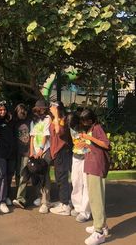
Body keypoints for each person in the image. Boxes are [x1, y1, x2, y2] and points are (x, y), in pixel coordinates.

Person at [78, 109, 110, 245]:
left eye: (84, 121)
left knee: (97, 198)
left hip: (97, 166)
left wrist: (88, 138)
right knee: (93, 197)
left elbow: (106, 144)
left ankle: (99, 232)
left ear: (90, 120)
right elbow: (95, 147)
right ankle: (102, 225)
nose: (83, 123)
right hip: (92, 165)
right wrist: (85, 144)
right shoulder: (92, 128)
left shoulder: (97, 128)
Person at [49, 101, 73, 216]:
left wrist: (56, 115)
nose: (51, 108)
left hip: (62, 152)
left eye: (53, 107)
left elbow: (58, 131)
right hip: (57, 153)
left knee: (62, 178)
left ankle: (66, 206)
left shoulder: (62, 120)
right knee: (59, 178)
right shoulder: (55, 119)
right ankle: (64, 201)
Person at [68, 110, 91, 223]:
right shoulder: (72, 126)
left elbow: (92, 144)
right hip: (76, 156)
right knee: (76, 182)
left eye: (75, 126)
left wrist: (86, 146)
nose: (74, 129)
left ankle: (85, 212)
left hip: (87, 157)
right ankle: (77, 206)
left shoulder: (88, 127)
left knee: (87, 184)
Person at [0, 101, 16, 213]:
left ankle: (6, 196)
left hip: (11, 152)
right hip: (0, 152)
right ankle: (1, 201)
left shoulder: (11, 120)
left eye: (4, 110)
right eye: (0, 110)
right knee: (1, 175)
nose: (2, 112)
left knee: (9, 175)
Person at [29, 99, 52, 214]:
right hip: (35, 151)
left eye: (43, 108)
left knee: (45, 175)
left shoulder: (47, 119)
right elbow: (32, 137)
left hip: (45, 150)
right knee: (36, 174)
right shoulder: (33, 121)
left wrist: (41, 150)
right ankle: (39, 196)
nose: (42, 110)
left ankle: (45, 202)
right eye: (40, 108)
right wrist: (31, 151)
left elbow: (45, 135)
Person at [12, 104, 31, 209]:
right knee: (18, 174)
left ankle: (21, 199)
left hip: (26, 151)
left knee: (24, 174)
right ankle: (19, 195)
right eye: (20, 112)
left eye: (24, 111)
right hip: (16, 152)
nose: (23, 113)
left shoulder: (29, 121)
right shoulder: (15, 122)